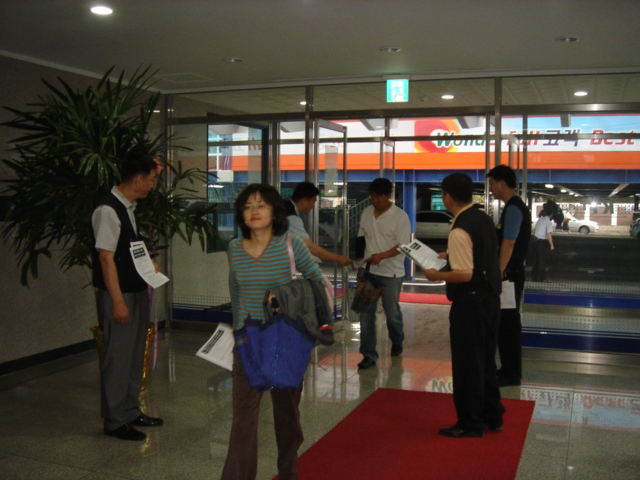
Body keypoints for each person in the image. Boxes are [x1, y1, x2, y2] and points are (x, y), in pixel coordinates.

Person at [222, 184, 324, 480]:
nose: (254, 211)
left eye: (261, 205)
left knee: (287, 416)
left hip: (284, 341)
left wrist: (288, 299)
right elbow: (235, 287)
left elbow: (316, 282)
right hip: (248, 342)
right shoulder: (234, 248)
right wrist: (238, 328)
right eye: (247, 206)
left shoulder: (291, 244)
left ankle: (288, 471)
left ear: (275, 211)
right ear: (241, 214)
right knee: (243, 420)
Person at [422, 173, 504, 438]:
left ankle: (470, 422)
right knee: (485, 360)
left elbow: (464, 273)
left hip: (469, 304)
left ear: (447, 196)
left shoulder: (459, 228)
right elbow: (480, 253)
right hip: (490, 300)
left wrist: (436, 275)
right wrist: (449, 255)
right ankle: (493, 414)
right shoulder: (482, 218)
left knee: (468, 364)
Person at [91, 151, 163, 441]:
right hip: (118, 295)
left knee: (134, 354)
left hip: (136, 290)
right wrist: (118, 301)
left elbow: (129, 249)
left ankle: (131, 410)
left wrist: (148, 262)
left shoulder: (128, 207)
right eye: (152, 179)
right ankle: (114, 420)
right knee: (118, 357)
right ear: (138, 180)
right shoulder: (107, 210)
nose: (153, 185)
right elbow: (106, 259)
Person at [356, 178, 411, 369]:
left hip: (391, 273)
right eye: (371, 197)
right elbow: (362, 240)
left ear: (389, 196)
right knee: (366, 314)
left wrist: (382, 256)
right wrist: (361, 265)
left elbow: (403, 246)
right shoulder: (366, 213)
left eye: (378, 197)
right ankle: (368, 354)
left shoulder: (400, 217)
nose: (374, 201)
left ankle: (397, 338)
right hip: (369, 272)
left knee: (391, 312)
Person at [486, 165, 531, 387]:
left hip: (509, 276)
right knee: (505, 323)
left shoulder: (513, 208)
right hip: (510, 274)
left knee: (508, 325)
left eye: (492, 183)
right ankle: (507, 369)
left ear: (502, 183)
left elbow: (509, 242)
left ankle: (511, 374)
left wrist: (499, 272)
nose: (491, 188)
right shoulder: (513, 206)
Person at [285, 181, 352, 267]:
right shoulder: (292, 218)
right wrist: (338, 258)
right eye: (313, 202)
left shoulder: (285, 208)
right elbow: (310, 247)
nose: (313, 206)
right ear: (304, 201)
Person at [531, 208, 555, 282]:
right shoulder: (548, 221)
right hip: (542, 242)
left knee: (536, 260)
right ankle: (542, 278)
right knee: (542, 260)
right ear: (552, 214)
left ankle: (534, 277)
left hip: (535, 241)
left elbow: (534, 230)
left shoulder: (540, 219)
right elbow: (548, 234)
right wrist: (551, 244)